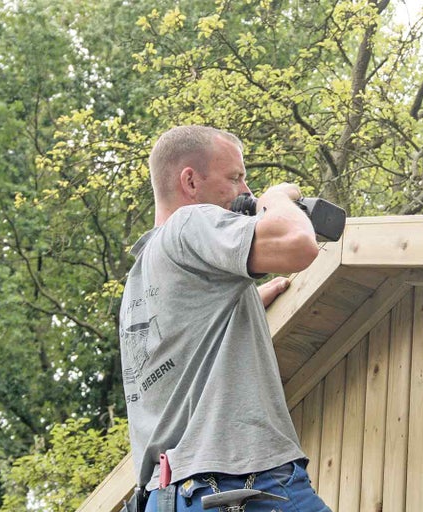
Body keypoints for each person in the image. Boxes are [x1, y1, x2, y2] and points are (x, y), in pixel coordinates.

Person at [119, 125, 331, 512]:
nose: (245, 191)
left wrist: (244, 304)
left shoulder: (142, 276)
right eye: (235, 177)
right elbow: (297, 244)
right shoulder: (189, 223)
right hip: (241, 486)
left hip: (168, 496)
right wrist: (277, 198)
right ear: (190, 181)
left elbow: (190, 348)